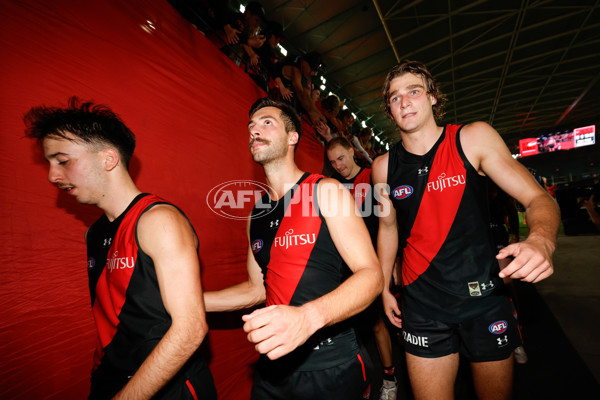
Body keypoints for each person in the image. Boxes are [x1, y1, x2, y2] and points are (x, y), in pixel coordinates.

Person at [372, 61, 559, 400]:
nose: (405, 102)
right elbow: (387, 229)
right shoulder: (382, 168)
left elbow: (537, 198)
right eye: (394, 98)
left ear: (432, 97)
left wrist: (541, 240)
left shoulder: (472, 139)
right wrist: (383, 286)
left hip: (484, 299)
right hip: (422, 304)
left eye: (413, 91)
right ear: (389, 110)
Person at [24, 97, 216, 400]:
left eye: (63, 161)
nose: (53, 176)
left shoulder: (158, 221)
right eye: (50, 163)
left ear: (108, 158)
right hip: (109, 380)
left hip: (169, 387)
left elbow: (190, 330)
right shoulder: (95, 232)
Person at [204, 97, 383, 399]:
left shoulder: (325, 190)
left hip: (331, 365)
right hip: (274, 368)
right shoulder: (255, 213)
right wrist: (191, 301)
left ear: (292, 137)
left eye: (267, 123)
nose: (254, 131)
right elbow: (256, 289)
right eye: (251, 126)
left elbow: (372, 276)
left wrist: (307, 319)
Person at [326, 137, 398, 400]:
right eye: (333, 162)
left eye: (341, 158)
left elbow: (390, 222)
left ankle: (389, 378)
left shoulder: (371, 177)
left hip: (374, 263)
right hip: (343, 267)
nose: (338, 165)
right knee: (349, 328)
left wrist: (392, 263)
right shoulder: (330, 186)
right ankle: (361, 381)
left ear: (352, 152)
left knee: (378, 324)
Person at [272, 51, 326, 125]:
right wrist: (311, 113)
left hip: (285, 87)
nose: (312, 73)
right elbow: (300, 93)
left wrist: (317, 112)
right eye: (312, 70)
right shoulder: (296, 69)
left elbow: (307, 95)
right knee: (293, 95)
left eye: (315, 72)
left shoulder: (305, 70)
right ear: (305, 62)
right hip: (275, 80)